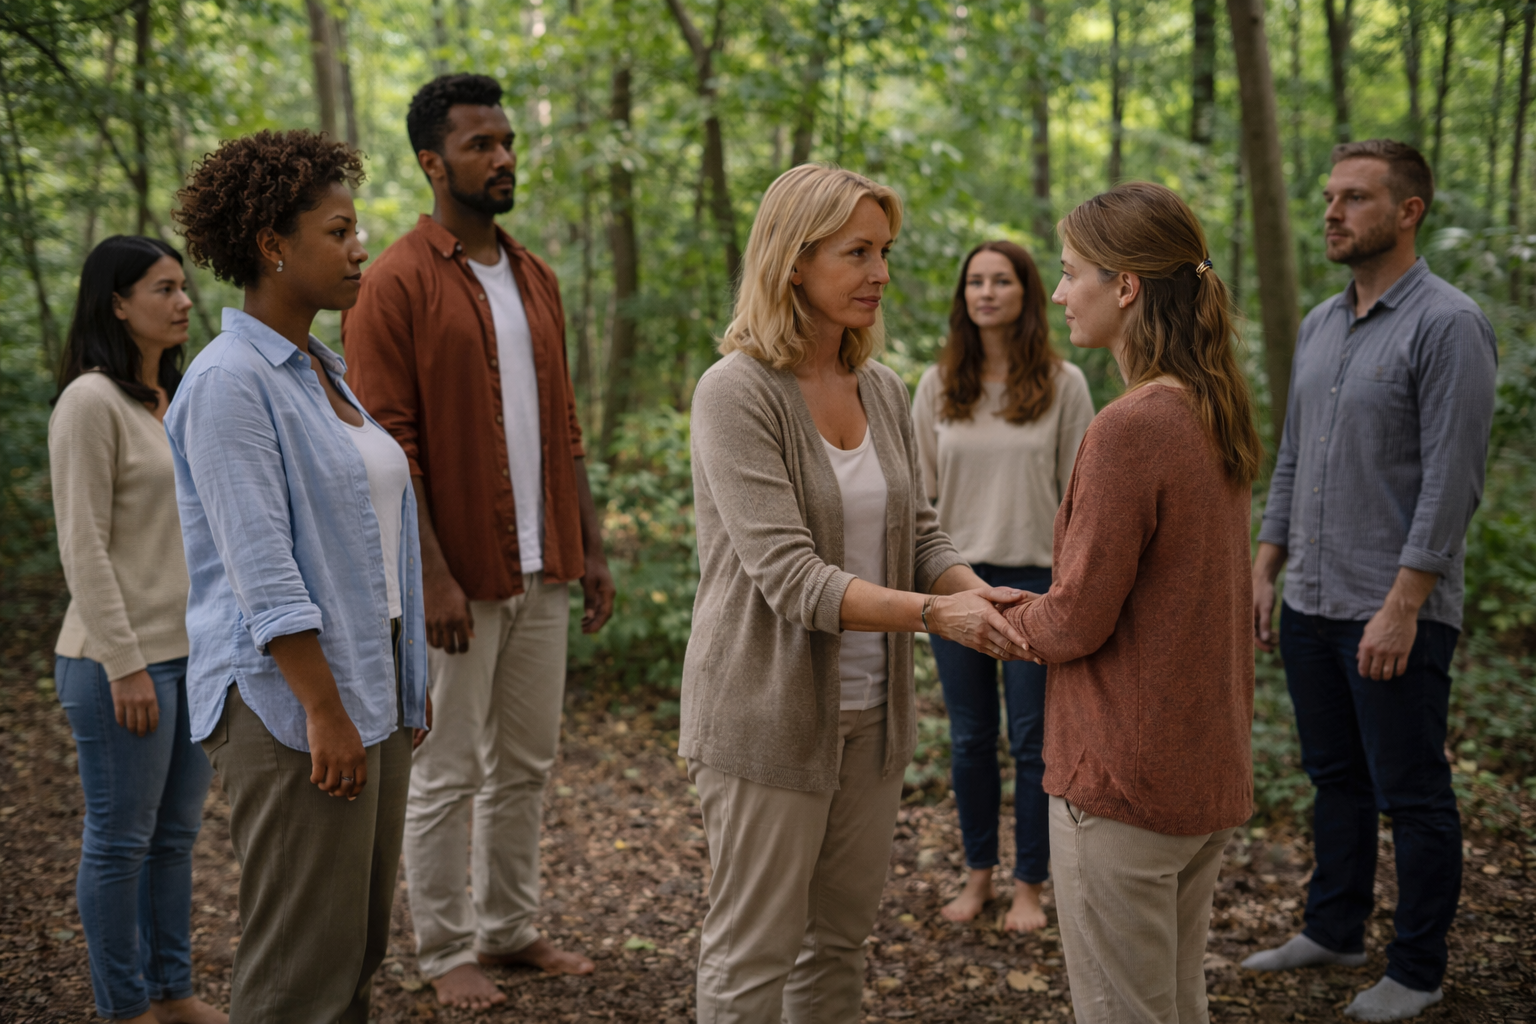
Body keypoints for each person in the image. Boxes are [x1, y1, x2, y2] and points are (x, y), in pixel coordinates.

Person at [682, 163, 1032, 1023]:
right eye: (858, 252)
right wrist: (936, 616)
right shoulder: (736, 393)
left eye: (886, 252)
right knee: (753, 955)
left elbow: (917, 532)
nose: (881, 272)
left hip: (873, 722)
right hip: (768, 717)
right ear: (793, 261)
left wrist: (972, 592)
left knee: (836, 946)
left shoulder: (879, 386)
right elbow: (792, 579)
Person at [343, 73, 614, 1011]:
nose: (502, 158)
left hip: (544, 565)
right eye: (479, 145)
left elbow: (565, 425)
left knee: (527, 764)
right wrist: (434, 577)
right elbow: (385, 444)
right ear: (432, 162)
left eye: (506, 141)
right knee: (448, 767)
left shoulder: (534, 275)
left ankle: (509, 927)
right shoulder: (393, 283)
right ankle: (445, 948)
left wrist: (594, 545)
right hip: (454, 575)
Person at [165, 129, 428, 1024]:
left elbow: (378, 546)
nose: (361, 249)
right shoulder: (230, 382)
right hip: (294, 700)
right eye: (339, 231)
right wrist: (324, 708)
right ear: (273, 246)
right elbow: (262, 570)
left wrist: (401, 691)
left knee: (354, 951)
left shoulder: (324, 372)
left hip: (367, 684)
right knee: (297, 974)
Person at [1244, 140, 1498, 1022]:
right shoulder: (1319, 324)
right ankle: (1335, 927)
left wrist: (1404, 605)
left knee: (1414, 794)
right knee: (1333, 779)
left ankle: (1418, 970)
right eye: (1328, 197)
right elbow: (1292, 456)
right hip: (1312, 599)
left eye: (1354, 198)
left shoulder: (1449, 323)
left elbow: (1453, 480)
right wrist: (1264, 563)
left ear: (1407, 211)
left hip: (1392, 612)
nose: (1332, 212)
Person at [1002, 181, 1263, 1024]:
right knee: (1175, 1006)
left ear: (1126, 287)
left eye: (1071, 271)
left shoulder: (1130, 424)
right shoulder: (1212, 404)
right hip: (1198, 772)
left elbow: (1075, 619)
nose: (1056, 292)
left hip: (1124, 781)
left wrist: (983, 618)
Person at [49, 236, 226, 1024]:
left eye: (184, 286)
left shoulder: (179, 401)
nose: (183, 300)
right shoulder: (90, 402)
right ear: (117, 302)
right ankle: (125, 1008)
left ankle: (173, 992)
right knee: (120, 841)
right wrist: (123, 663)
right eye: (163, 288)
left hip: (193, 656)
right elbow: (81, 544)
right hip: (120, 660)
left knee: (175, 838)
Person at [912, 240, 1094, 932]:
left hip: (1033, 584)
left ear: (1026, 293)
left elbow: (1081, 499)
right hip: (954, 578)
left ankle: (1029, 886)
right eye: (974, 282)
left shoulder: (1063, 382)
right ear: (963, 297)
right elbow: (918, 498)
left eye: (1002, 280)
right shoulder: (936, 386)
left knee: (1031, 742)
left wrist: (1067, 590)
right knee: (968, 738)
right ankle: (978, 875)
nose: (985, 292)